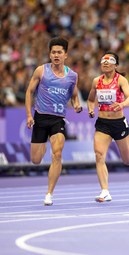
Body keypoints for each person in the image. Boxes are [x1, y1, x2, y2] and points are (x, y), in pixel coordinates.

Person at [25, 37, 82, 206]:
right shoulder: (41, 71)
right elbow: (29, 92)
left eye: (59, 52)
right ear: (50, 54)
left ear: (66, 55)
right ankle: (42, 145)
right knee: (36, 159)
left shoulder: (72, 76)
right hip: (40, 117)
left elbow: (74, 96)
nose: (56, 55)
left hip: (58, 119)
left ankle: (49, 193)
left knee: (57, 154)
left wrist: (77, 106)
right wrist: (29, 115)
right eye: (53, 52)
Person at [87, 52, 129, 203]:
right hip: (102, 124)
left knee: (127, 161)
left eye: (109, 61)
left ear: (116, 65)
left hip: (118, 123)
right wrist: (90, 109)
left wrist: (121, 104)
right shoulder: (96, 81)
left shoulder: (121, 80)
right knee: (99, 155)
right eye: (103, 61)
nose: (105, 63)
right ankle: (105, 191)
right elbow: (90, 99)